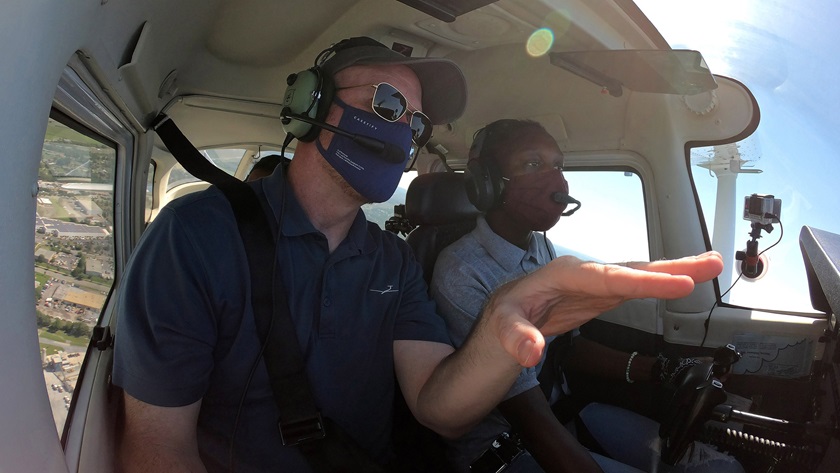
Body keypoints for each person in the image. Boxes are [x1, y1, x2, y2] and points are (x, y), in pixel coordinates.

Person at [112, 37, 724, 473]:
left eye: (417, 123)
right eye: (386, 106)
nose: (404, 132)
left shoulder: (392, 262)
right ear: (310, 104)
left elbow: (441, 411)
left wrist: (503, 319)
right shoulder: (195, 235)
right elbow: (157, 451)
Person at [430, 119, 743, 473]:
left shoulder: (541, 248)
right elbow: (523, 410)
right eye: (532, 164)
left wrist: (661, 369)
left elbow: (568, 347)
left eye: (558, 165)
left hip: (560, 414)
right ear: (486, 181)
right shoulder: (460, 270)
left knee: (720, 468)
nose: (555, 180)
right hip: (502, 449)